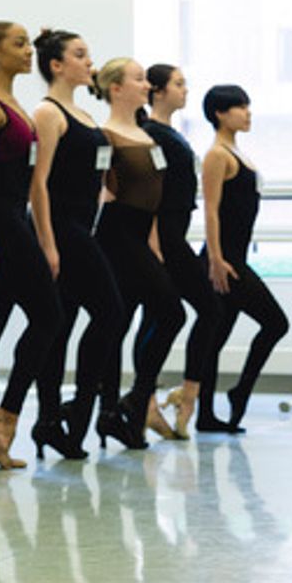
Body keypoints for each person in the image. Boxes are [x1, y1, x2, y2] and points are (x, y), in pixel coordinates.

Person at [0, 22, 61, 469]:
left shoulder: (15, 102)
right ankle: (1, 417)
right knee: (49, 315)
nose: (27, 52)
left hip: (13, 218)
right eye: (18, 45)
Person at [28, 29, 133, 456]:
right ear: (56, 65)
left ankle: (52, 420)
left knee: (64, 324)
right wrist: (48, 243)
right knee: (111, 314)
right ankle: (77, 411)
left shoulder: (86, 116)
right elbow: (39, 184)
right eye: (80, 55)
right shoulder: (48, 113)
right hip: (63, 229)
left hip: (83, 227)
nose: (89, 62)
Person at [92, 58, 185, 446]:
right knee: (169, 312)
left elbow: (154, 197)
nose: (146, 85)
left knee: (124, 320)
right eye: (139, 79)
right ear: (116, 88)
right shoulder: (106, 134)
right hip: (115, 234)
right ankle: (128, 401)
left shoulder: (146, 135)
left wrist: (154, 242)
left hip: (139, 233)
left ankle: (119, 409)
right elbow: (100, 189)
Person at [139, 64, 230, 434]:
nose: (185, 90)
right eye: (178, 84)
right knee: (181, 312)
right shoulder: (150, 132)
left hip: (176, 233)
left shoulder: (170, 132)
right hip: (163, 236)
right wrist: (155, 242)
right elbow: (151, 191)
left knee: (183, 313)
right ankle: (146, 400)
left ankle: (180, 394)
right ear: (157, 91)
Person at [200, 85, 288, 431]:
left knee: (215, 337)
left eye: (248, 105)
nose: (247, 112)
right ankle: (240, 392)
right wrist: (215, 260)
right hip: (226, 261)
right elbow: (210, 210)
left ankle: (207, 414)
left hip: (235, 256)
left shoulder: (237, 151)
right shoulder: (217, 154)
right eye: (239, 107)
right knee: (276, 323)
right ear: (220, 113)